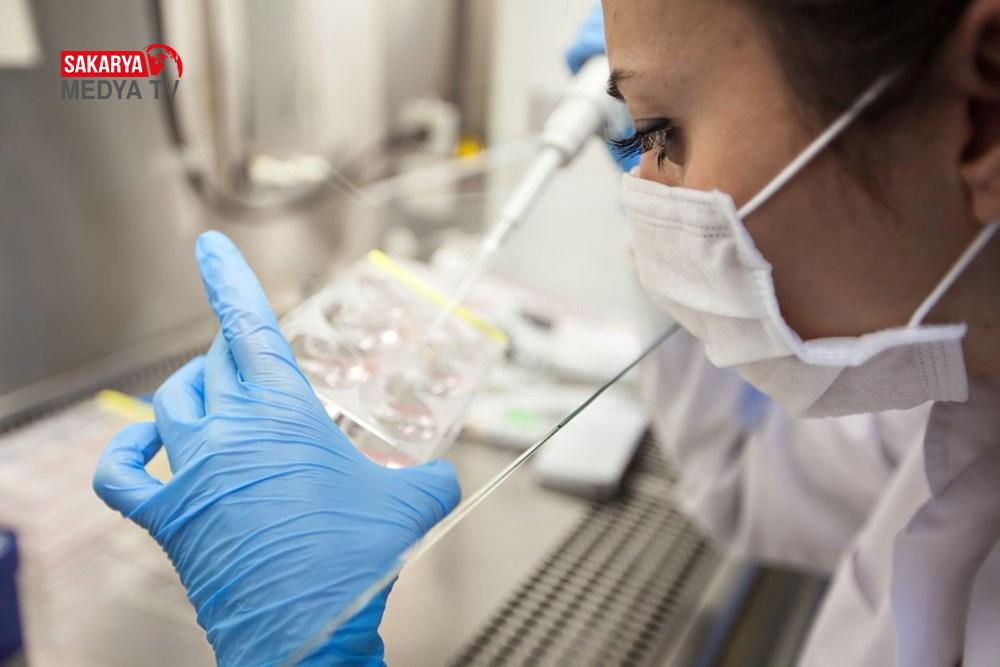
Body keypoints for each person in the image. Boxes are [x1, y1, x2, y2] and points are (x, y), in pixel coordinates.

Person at [92, 1, 1000, 665]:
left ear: (982, 113)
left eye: (660, 132)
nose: (645, 190)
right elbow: (757, 483)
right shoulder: (968, 400)